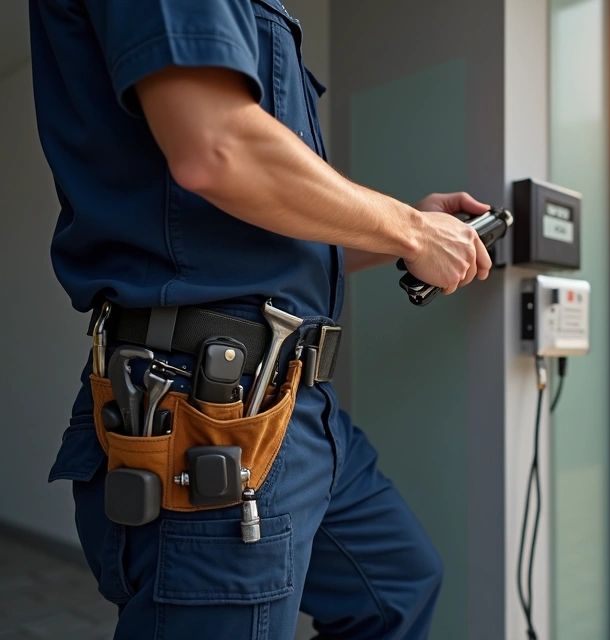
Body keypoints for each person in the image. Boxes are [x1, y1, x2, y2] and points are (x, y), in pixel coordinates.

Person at [31, 0, 490, 637]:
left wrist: (403, 235)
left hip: (299, 407)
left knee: (398, 590)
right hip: (203, 407)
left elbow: (279, 237)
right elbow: (215, 146)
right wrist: (413, 230)